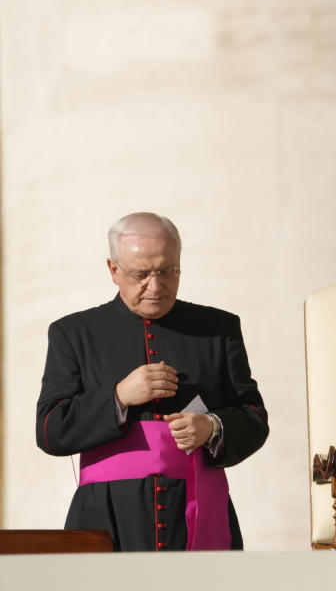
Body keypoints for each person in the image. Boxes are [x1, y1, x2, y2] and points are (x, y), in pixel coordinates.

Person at [36, 212, 269, 551]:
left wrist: (212, 427)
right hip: (107, 515)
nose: (156, 286)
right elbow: (49, 429)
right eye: (141, 274)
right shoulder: (73, 333)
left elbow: (254, 416)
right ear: (114, 270)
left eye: (167, 271)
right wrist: (118, 397)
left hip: (196, 511)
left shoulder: (218, 329)